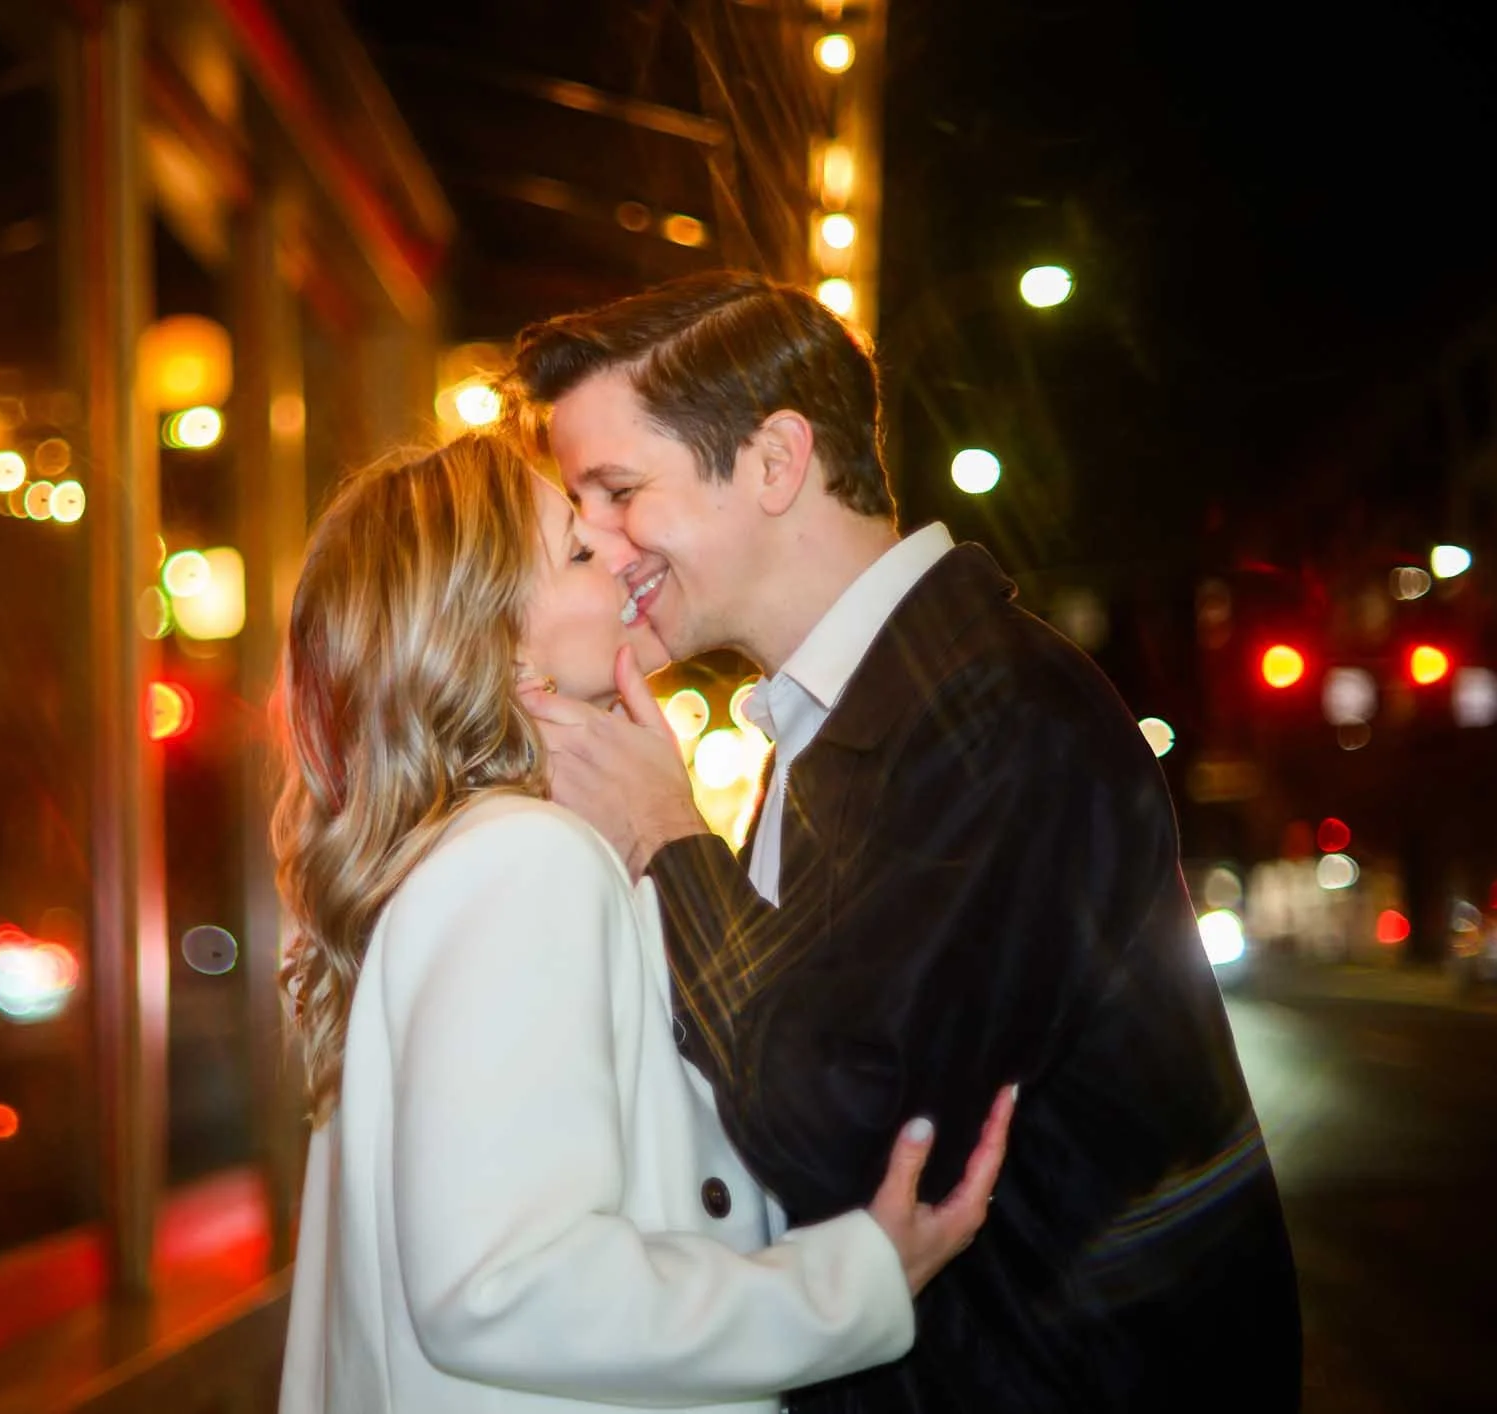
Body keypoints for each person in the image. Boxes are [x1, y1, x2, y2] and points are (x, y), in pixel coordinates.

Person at [513, 269, 1303, 1411]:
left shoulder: (999, 712)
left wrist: (665, 837)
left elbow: (855, 1123)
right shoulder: (843, 716)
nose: (600, 541)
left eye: (617, 489)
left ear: (776, 461)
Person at [273, 435, 1014, 1414]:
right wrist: (849, 1284)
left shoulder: (459, 860)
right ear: (490, 639)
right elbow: (503, 1286)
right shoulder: (524, 861)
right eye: (579, 553)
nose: (623, 555)